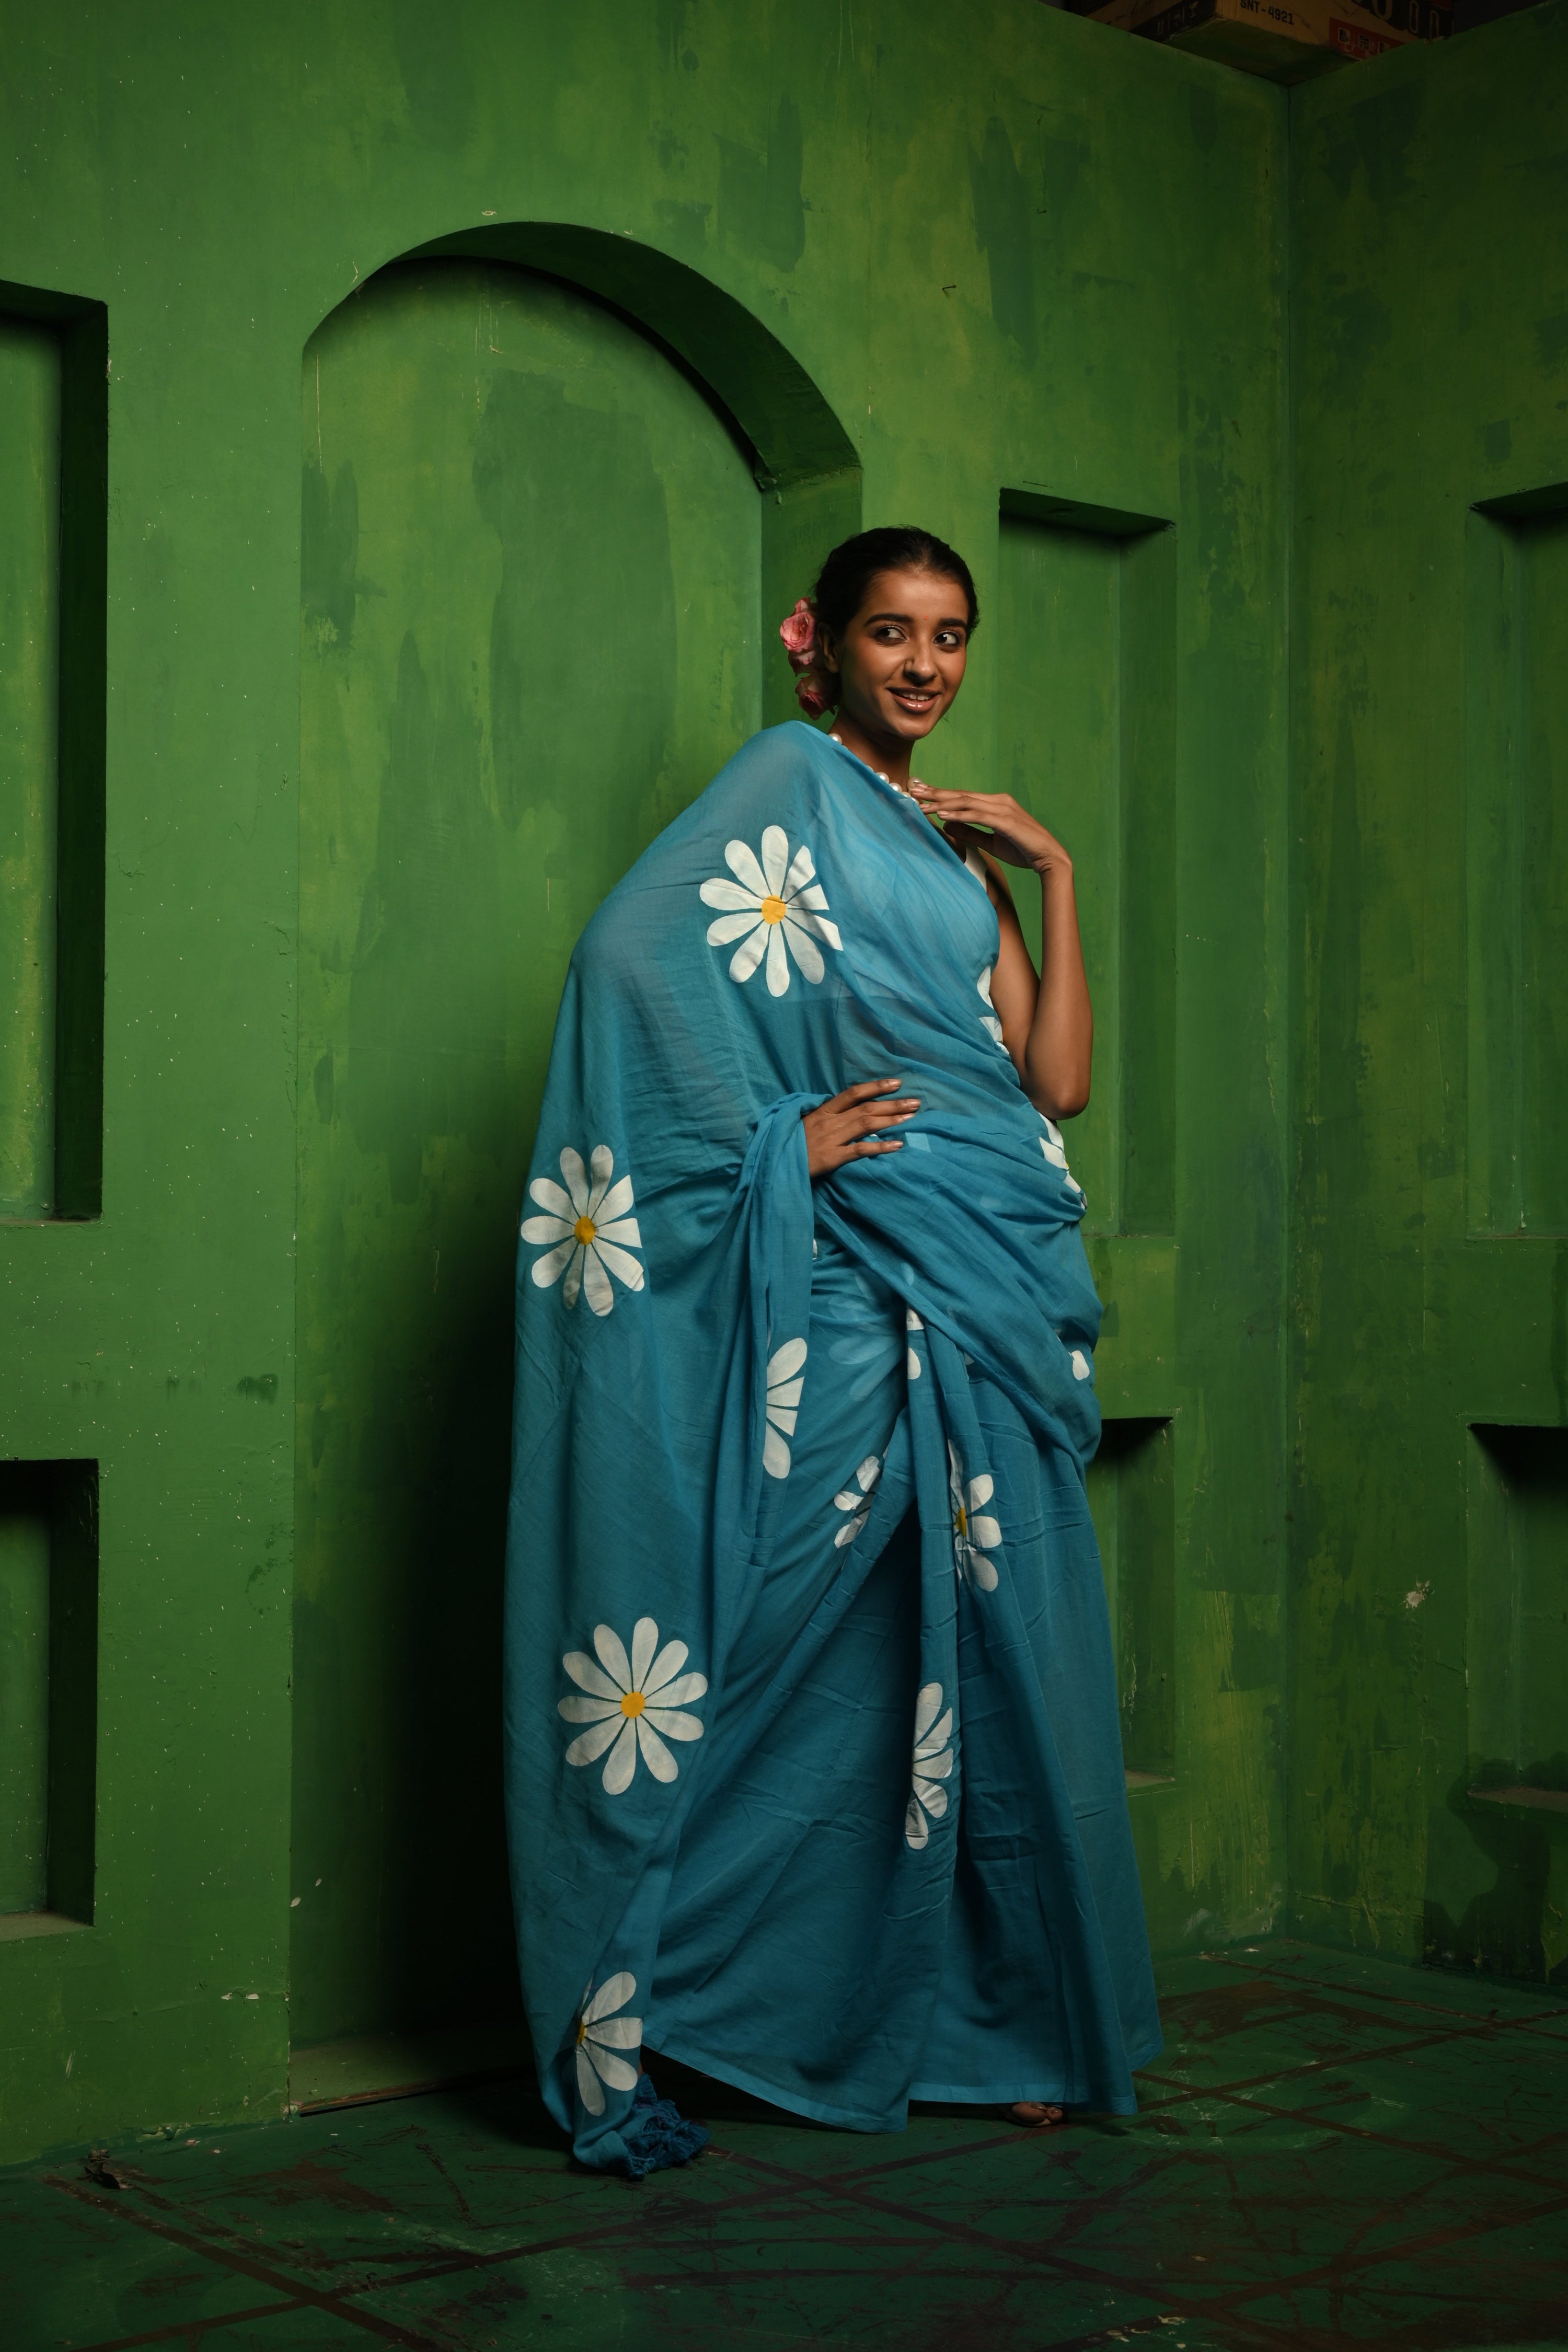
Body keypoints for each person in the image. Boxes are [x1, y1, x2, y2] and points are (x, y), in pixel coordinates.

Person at [502, 526, 1161, 2177]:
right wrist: (773, 1150)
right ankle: (670, 2004)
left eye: (950, 636)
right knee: (781, 1643)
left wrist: (1055, 871)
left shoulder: (959, 859)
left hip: (994, 1278)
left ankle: (992, 2023)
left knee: (984, 1661)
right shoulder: (787, 784)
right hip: (859, 1292)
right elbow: (630, 967)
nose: (925, 666)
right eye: (892, 632)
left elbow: (1055, 1079)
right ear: (821, 641)